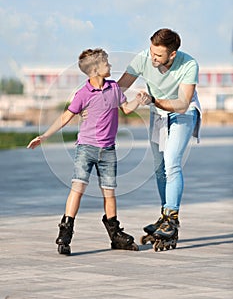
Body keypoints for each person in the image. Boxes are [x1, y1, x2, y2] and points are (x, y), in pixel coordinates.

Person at [27, 48, 146, 254]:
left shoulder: (114, 88)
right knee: (78, 189)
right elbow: (66, 117)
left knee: (109, 193)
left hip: (108, 150)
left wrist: (140, 101)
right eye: (106, 63)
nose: (110, 66)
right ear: (94, 70)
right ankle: (66, 231)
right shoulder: (83, 94)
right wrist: (45, 136)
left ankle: (115, 234)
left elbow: (126, 108)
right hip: (86, 149)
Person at [117, 28, 201, 251]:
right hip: (158, 115)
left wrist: (152, 99)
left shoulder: (189, 65)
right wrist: (94, 100)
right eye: (152, 52)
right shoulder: (144, 58)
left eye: (158, 55)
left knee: (172, 162)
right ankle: (165, 216)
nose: (152, 58)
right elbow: (119, 87)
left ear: (172, 55)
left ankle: (171, 218)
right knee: (159, 166)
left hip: (184, 113)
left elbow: (182, 103)